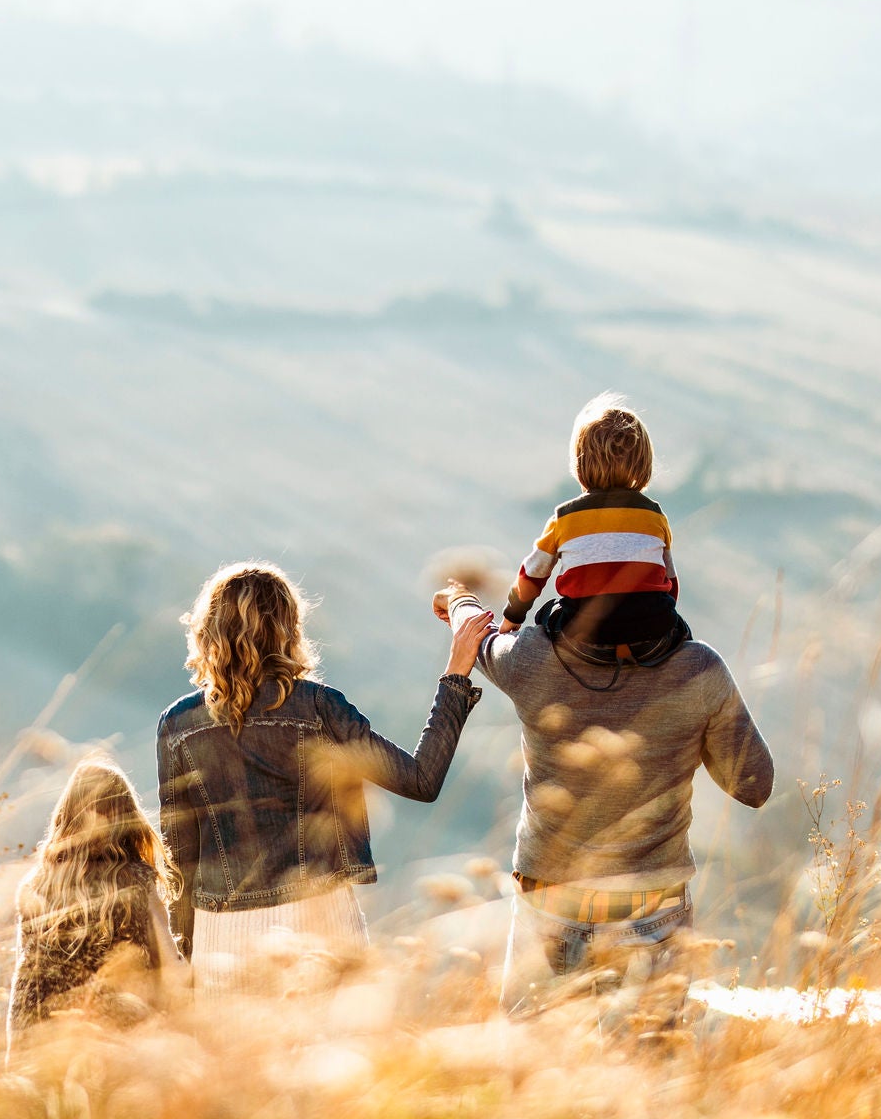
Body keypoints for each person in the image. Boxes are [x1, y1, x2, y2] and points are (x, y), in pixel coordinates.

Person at [436, 583, 773, 1014]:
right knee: (650, 1069)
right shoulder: (697, 667)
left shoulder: (531, 655)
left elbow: (475, 631)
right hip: (653, 907)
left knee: (533, 1073)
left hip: (549, 902)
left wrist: (456, 596)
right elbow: (754, 786)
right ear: (665, 582)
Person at [157, 562, 490, 994]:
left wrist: (185, 949)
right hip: (321, 919)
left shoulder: (178, 725)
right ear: (288, 630)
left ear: (207, 631)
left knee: (240, 1062)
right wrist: (457, 673)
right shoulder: (319, 706)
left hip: (222, 936)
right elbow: (421, 780)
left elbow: (179, 854)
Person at [7, 756, 186, 1053]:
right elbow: (171, 971)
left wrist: (15, 1057)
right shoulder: (138, 882)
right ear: (126, 817)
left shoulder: (34, 886)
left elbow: (23, 981)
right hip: (114, 1041)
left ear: (66, 816)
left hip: (41, 1043)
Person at [495, 393, 686, 660]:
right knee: (682, 632)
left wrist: (512, 617)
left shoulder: (565, 518)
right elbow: (670, 583)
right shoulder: (654, 515)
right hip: (651, 637)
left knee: (547, 615)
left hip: (584, 639)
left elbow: (532, 575)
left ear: (580, 462)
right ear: (644, 463)